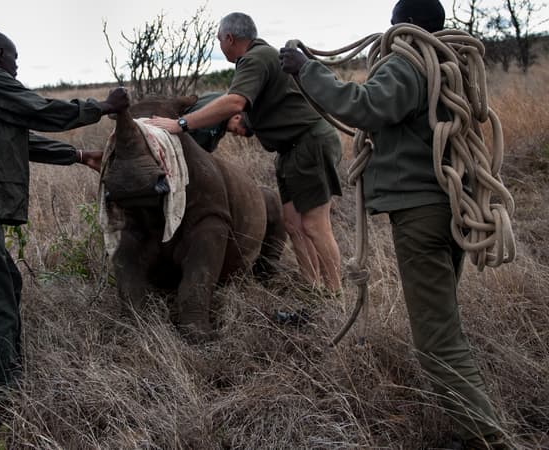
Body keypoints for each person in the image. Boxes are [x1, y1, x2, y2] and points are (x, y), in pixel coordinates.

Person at [279, 1, 507, 448]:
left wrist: (308, 69)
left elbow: (362, 106)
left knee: (436, 339)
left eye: (392, 26)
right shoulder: (447, 63)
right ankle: (468, 425)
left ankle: (485, 436)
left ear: (402, 26)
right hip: (449, 208)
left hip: (421, 215)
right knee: (444, 324)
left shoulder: (407, 62)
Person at [0, 29, 128, 387]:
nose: (17, 69)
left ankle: (4, 371)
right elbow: (42, 110)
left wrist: (79, 156)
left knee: (5, 284)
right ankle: (1, 397)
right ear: (1, 54)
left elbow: (20, 140)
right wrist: (104, 106)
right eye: (15, 60)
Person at [147, 13, 343, 294]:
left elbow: (236, 101)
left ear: (229, 38)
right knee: (292, 224)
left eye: (219, 40)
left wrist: (181, 124)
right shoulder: (256, 60)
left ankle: (334, 297)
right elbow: (254, 110)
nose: (219, 45)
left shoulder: (255, 57)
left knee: (314, 224)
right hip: (290, 150)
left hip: (309, 143)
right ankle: (312, 290)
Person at [184, 92, 254, 152]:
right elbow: (197, 148)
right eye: (235, 130)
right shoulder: (213, 121)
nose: (234, 134)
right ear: (237, 118)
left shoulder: (225, 97)